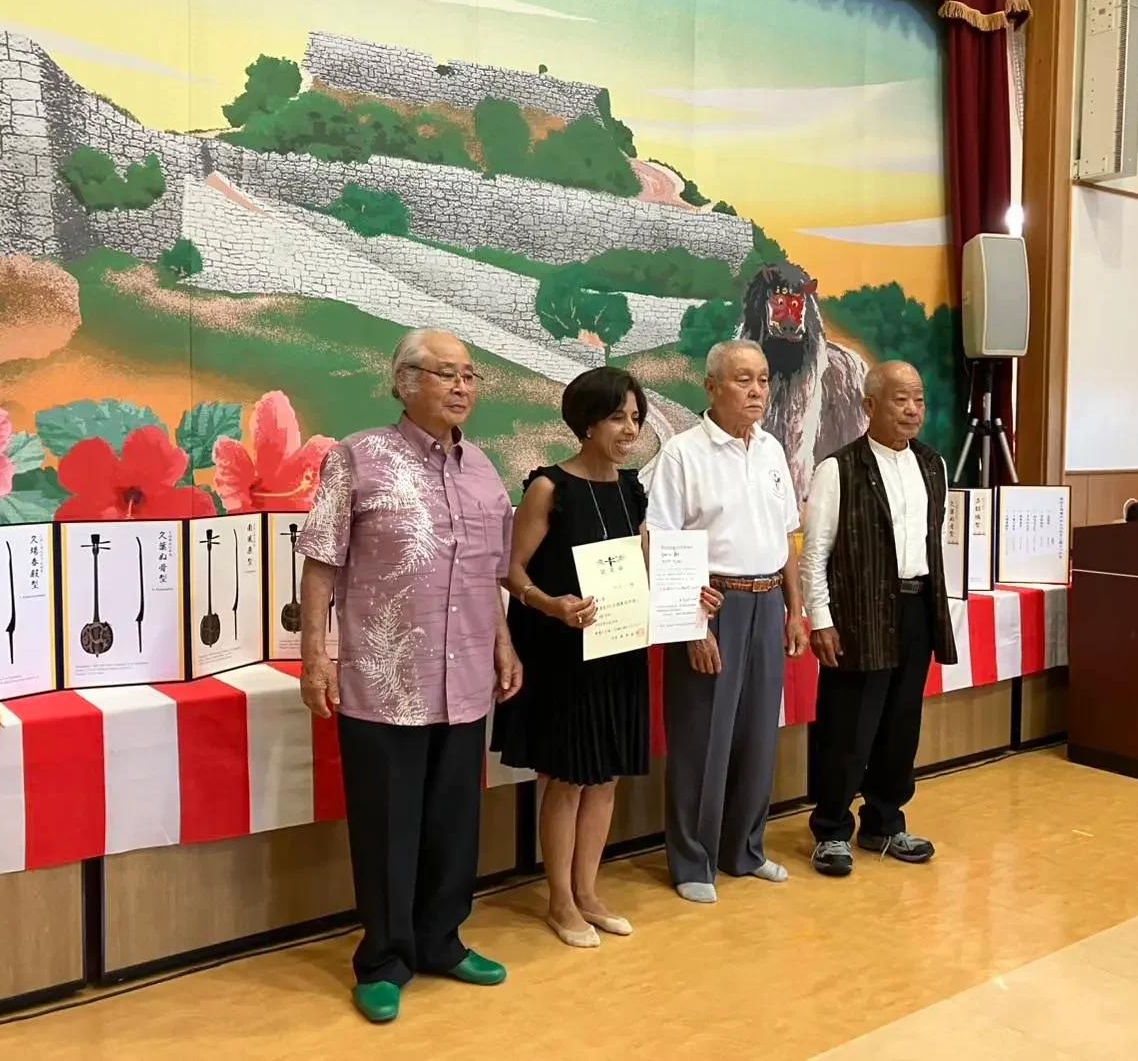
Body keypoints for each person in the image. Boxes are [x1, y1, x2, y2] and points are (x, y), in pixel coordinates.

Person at [296, 328, 522, 1024]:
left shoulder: (483, 468)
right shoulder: (358, 458)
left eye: (469, 375)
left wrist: (503, 642)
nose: (461, 387)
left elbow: (489, 572)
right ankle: (384, 958)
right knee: (388, 826)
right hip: (384, 677)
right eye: (445, 374)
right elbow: (321, 558)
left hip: (464, 679)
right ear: (403, 382)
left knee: (453, 824)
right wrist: (314, 651)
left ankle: (441, 942)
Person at [493, 366, 723, 947]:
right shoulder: (549, 487)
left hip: (618, 647)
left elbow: (648, 561)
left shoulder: (631, 490)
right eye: (619, 417)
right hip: (562, 652)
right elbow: (511, 571)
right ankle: (560, 900)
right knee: (567, 778)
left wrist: (688, 595)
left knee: (606, 776)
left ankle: (589, 890)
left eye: (636, 419)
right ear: (587, 421)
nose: (630, 429)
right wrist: (551, 604)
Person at [643, 339, 809, 904]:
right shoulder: (683, 454)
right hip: (711, 602)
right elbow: (658, 541)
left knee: (758, 735)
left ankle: (745, 850)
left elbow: (788, 536)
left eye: (762, 379)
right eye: (743, 380)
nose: (757, 390)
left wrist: (796, 609)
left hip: (768, 602)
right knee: (700, 739)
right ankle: (693, 860)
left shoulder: (770, 450)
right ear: (711, 387)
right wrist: (692, 624)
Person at [798, 360, 958, 878]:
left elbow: (934, 542)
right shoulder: (838, 468)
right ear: (869, 406)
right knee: (848, 727)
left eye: (919, 400)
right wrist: (819, 619)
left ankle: (885, 823)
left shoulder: (932, 465)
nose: (913, 410)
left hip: (916, 608)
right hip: (858, 613)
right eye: (899, 400)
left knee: (900, 726)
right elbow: (814, 553)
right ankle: (830, 830)